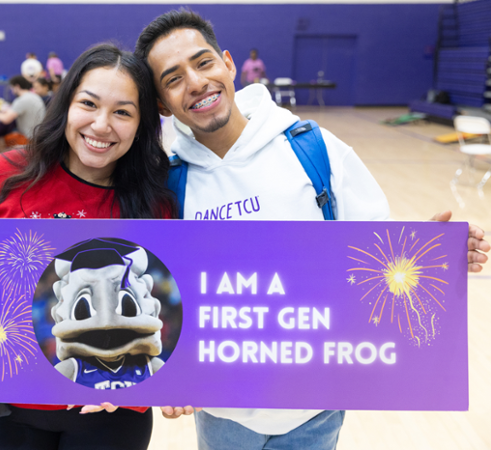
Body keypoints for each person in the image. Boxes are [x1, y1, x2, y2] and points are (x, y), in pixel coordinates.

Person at [134, 9, 490, 450]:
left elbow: (373, 248)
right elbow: (161, 295)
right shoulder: (169, 184)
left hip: (316, 408)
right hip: (223, 411)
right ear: (162, 105)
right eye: (173, 78)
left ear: (228, 63)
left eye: (203, 62)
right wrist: (171, 373)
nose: (195, 82)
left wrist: (432, 251)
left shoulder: (312, 147)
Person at [0, 43, 176, 449]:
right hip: (12, 406)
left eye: (123, 112)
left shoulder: (155, 203)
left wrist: (149, 376)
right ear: (66, 105)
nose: (101, 125)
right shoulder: (6, 175)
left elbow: (171, 307)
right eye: (89, 104)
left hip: (111, 413)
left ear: (142, 123)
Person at [0, 75, 45, 146]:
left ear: (17, 86)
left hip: (29, 138)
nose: (11, 90)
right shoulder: (34, 96)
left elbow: (6, 119)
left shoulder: (21, 100)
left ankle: (4, 157)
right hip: (39, 135)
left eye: (12, 87)